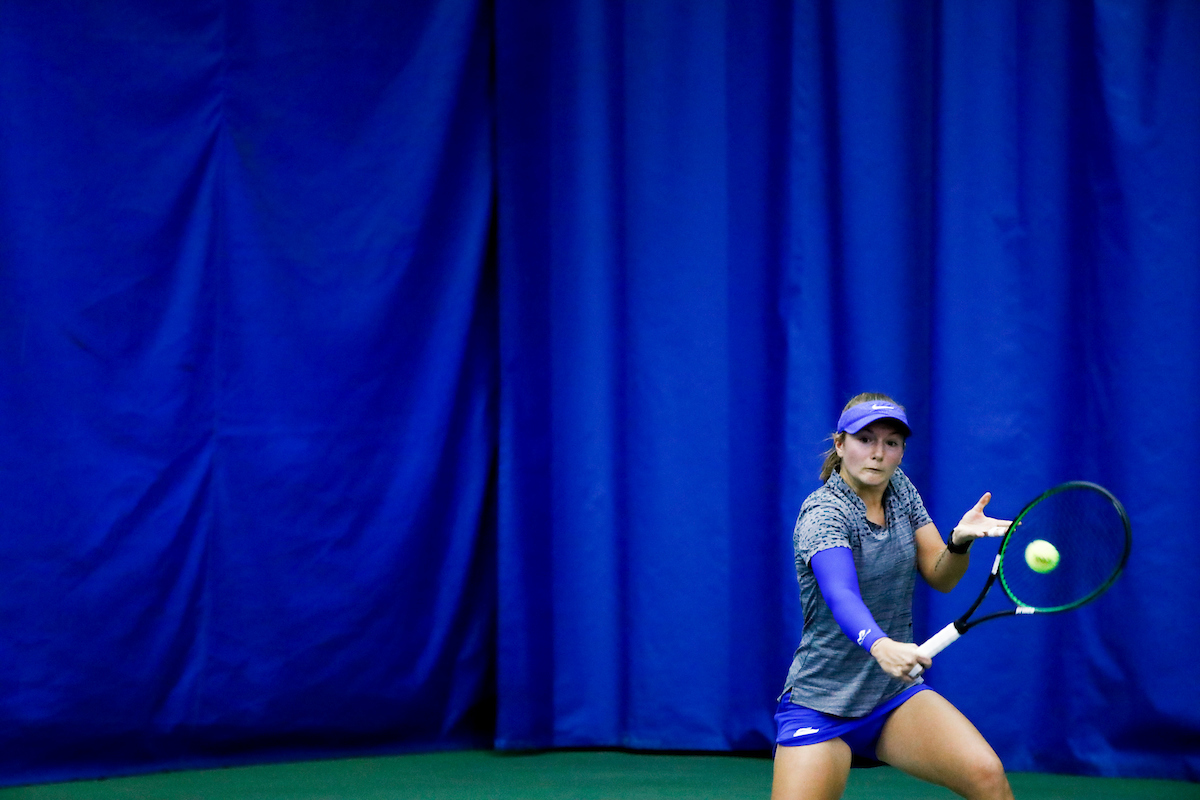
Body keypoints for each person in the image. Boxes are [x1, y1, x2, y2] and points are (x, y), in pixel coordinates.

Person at [771, 393, 1015, 800]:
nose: (878, 453)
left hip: (891, 695)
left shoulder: (899, 489)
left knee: (987, 776)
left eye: (891, 442)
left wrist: (959, 542)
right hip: (822, 701)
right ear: (840, 444)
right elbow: (840, 594)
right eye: (865, 439)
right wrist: (880, 645)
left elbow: (941, 576)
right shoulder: (823, 513)